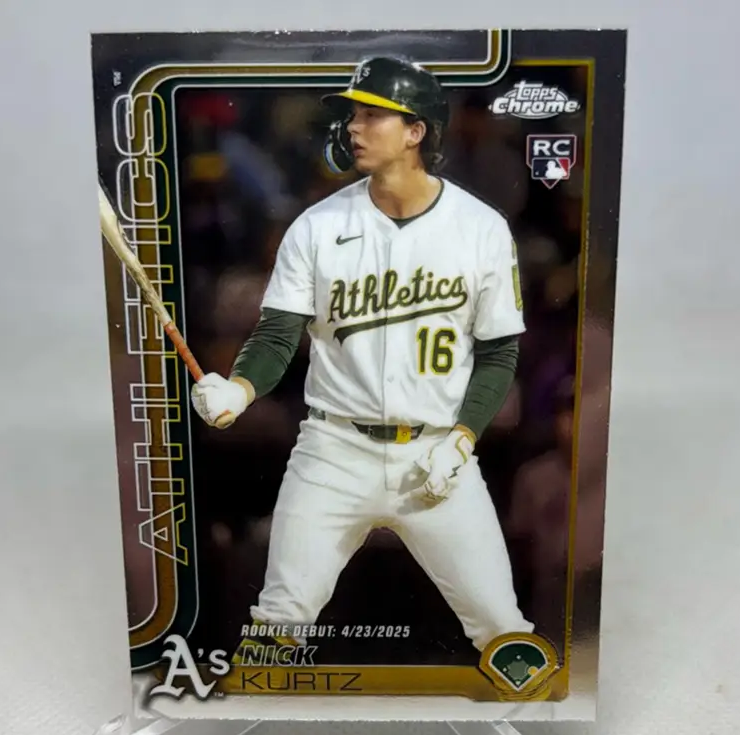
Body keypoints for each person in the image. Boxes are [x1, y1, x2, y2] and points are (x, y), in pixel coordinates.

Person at [190, 55, 535, 663]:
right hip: (334, 451)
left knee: (504, 632)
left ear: (416, 131)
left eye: (374, 115)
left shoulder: (481, 229)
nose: (354, 126)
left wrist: (461, 440)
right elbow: (276, 337)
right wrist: (239, 389)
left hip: (435, 455)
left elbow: (498, 352)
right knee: (275, 629)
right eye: (353, 114)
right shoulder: (315, 227)